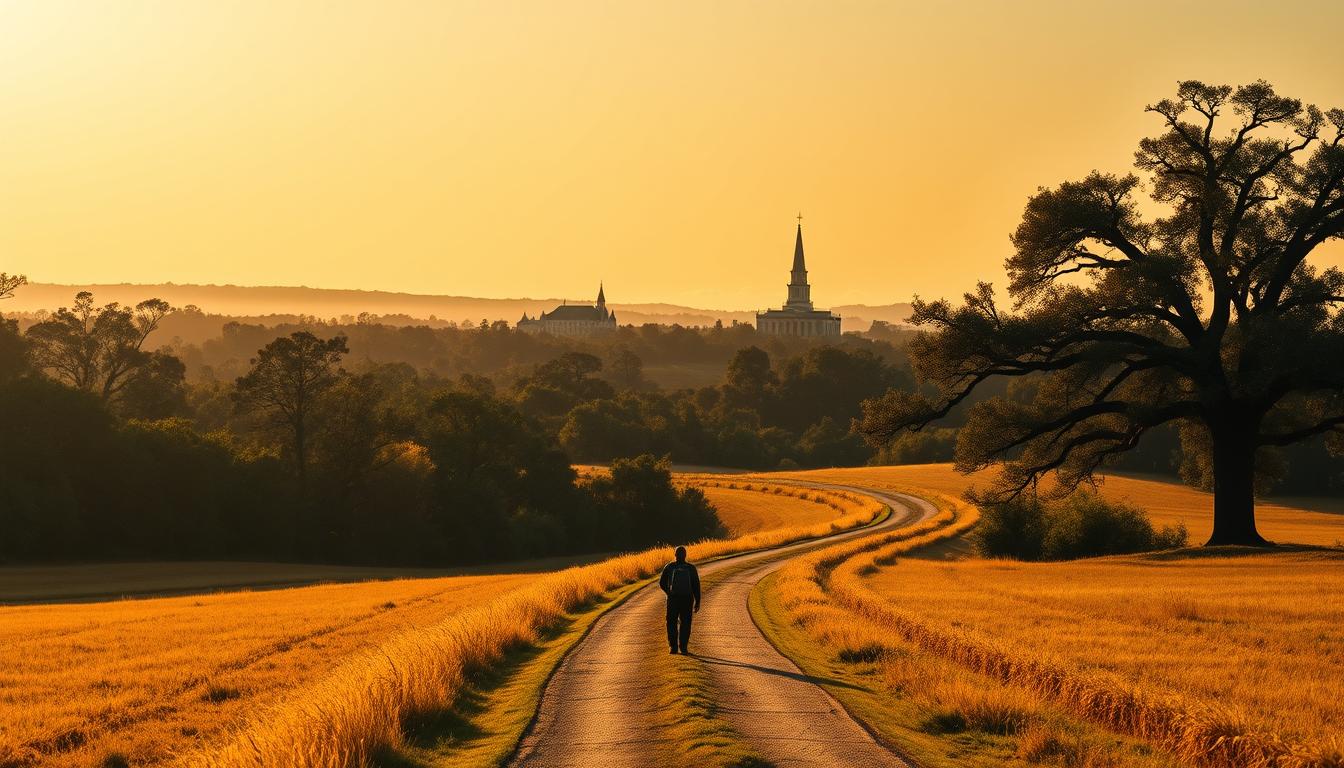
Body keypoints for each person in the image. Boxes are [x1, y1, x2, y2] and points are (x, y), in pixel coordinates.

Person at [659, 545, 701, 654]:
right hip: (687, 600)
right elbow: (696, 586)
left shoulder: (669, 567)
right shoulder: (691, 568)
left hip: (673, 600)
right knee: (686, 623)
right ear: (685, 555)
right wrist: (697, 601)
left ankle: (673, 647)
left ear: (675, 555)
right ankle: (683, 648)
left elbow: (661, 583)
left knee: (671, 623)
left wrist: (669, 593)